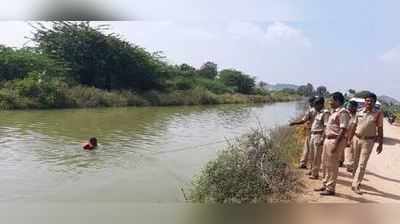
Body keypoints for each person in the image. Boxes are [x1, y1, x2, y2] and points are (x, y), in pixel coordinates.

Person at [314, 92, 350, 196]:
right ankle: (325, 184)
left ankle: (330, 188)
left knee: (332, 166)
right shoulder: (333, 112)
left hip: (335, 141)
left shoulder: (343, 112)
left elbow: (343, 130)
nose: (330, 102)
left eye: (331, 100)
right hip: (328, 140)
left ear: (337, 101)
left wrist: (335, 144)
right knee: (325, 164)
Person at [349, 92, 383, 194]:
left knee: (362, 163)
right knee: (355, 161)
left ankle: (356, 184)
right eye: (367, 100)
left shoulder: (378, 114)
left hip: (368, 141)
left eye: (371, 101)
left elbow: (380, 129)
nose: (369, 102)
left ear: (374, 102)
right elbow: (354, 126)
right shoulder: (359, 112)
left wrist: (380, 143)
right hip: (356, 139)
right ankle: (355, 180)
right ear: (365, 101)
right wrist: (349, 139)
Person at [290, 96, 317, 169]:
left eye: (310, 102)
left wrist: (294, 123)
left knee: (307, 147)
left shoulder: (311, 111)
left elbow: (303, 120)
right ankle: (311, 164)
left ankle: (304, 163)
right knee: (313, 149)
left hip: (311, 131)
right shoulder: (320, 110)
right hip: (317, 133)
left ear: (311, 103)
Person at [307, 96, 330, 179]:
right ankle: (311, 170)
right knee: (312, 154)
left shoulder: (325, 113)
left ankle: (315, 173)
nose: (314, 107)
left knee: (317, 156)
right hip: (313, 135)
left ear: (321, 104)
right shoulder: (318, 112)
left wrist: (322, 138)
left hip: (318, 135)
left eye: (316, 105)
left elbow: (326, 127)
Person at [344, 100, 358, 173]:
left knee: (351, 151)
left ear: (355, 107)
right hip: (344, 135)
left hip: (352, 136)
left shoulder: (357, 116)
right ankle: (341, 161)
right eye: (348, 106)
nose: (348, 107)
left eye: (350, 106)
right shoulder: (347, 115)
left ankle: (350, 166)